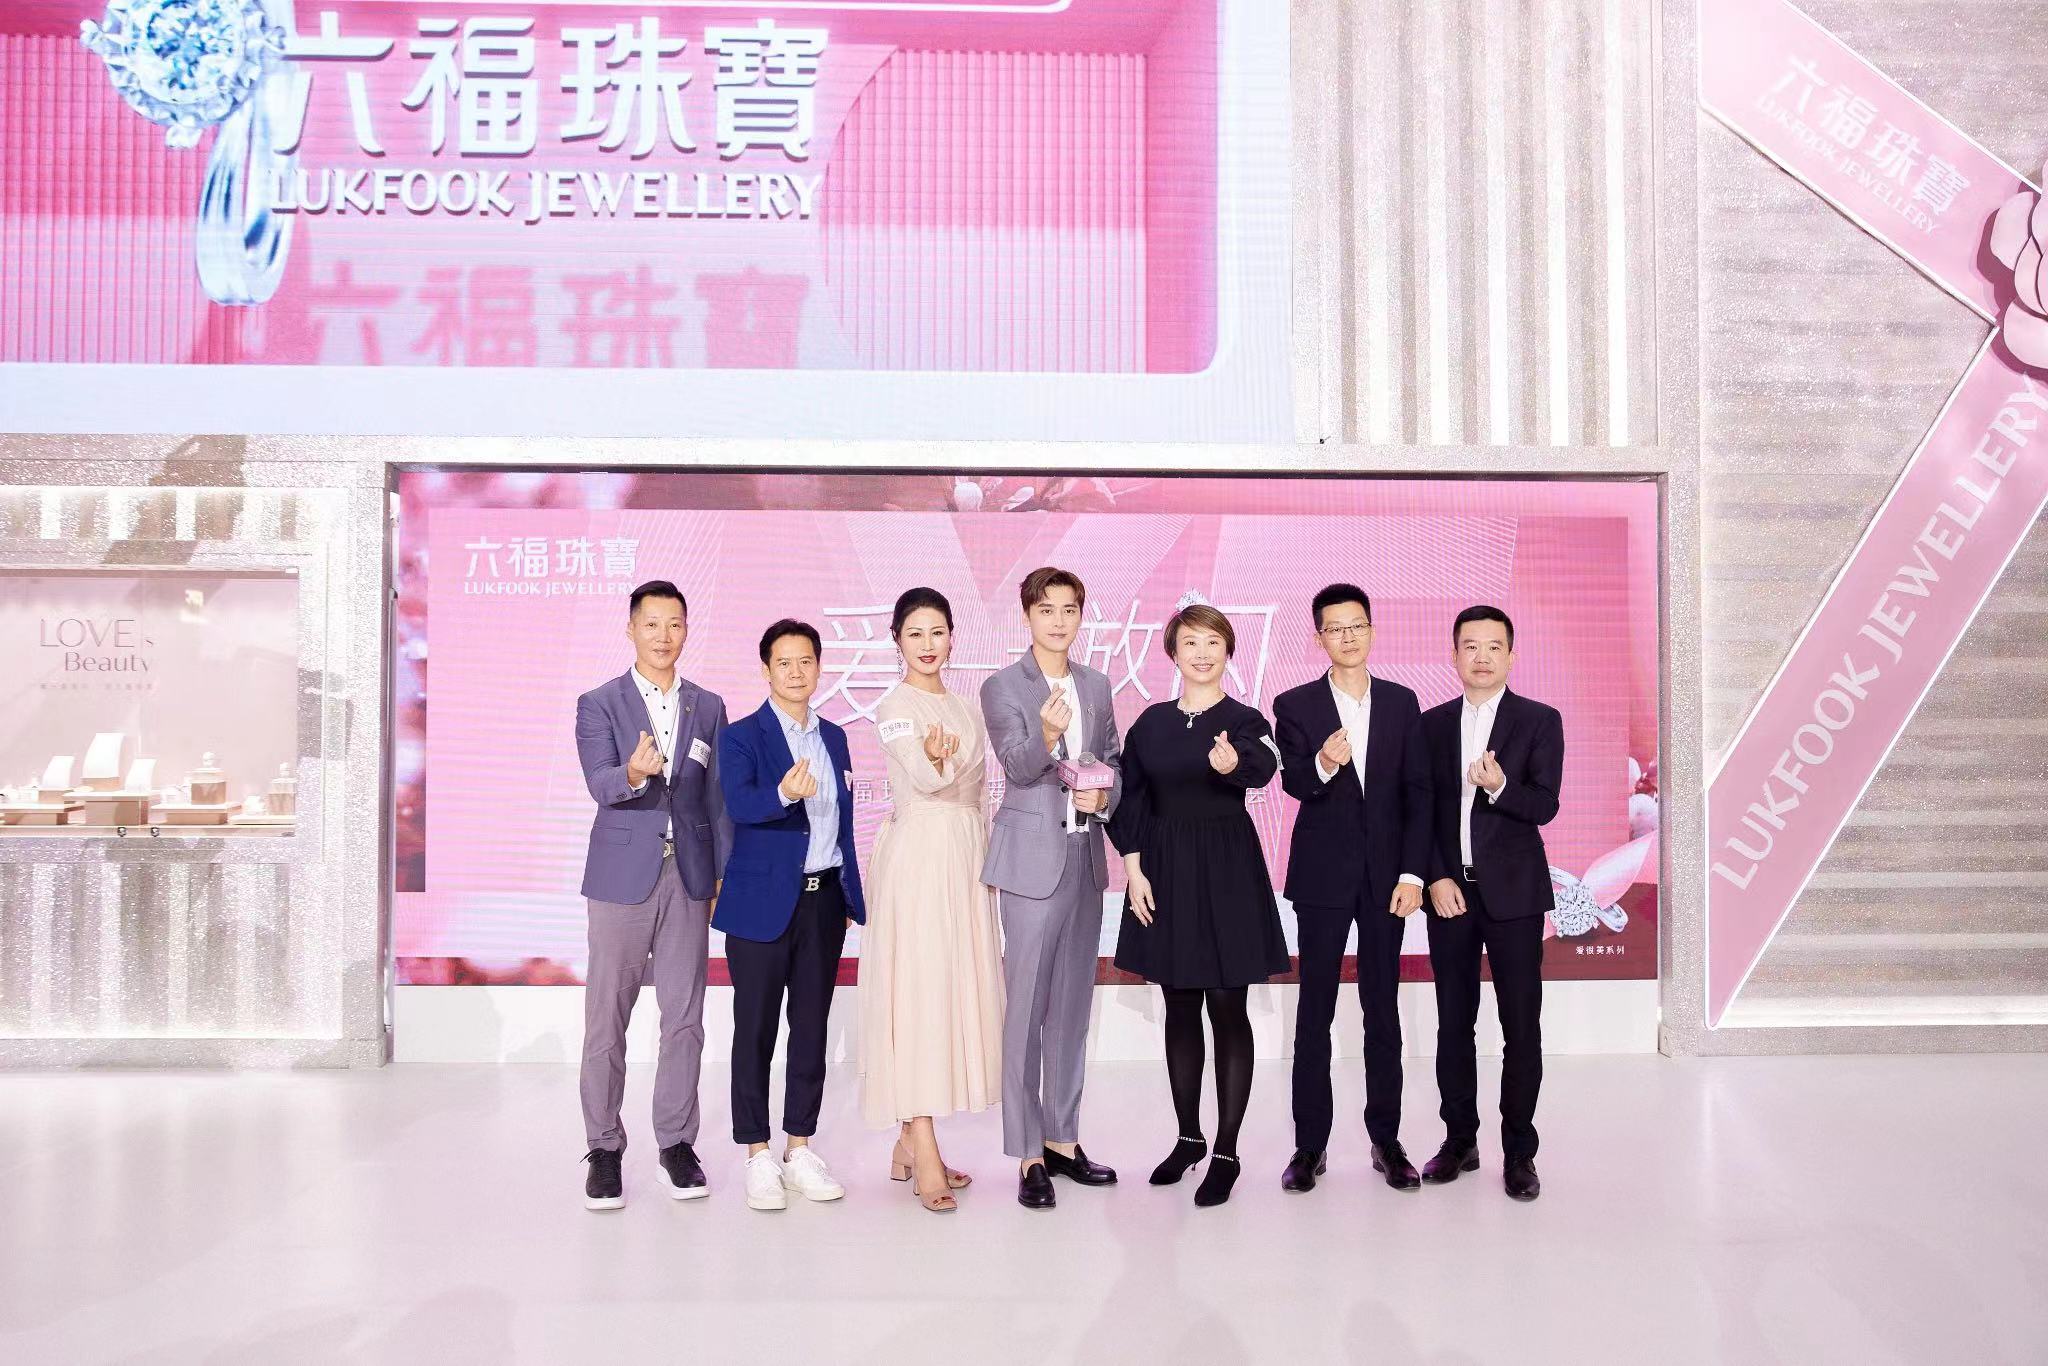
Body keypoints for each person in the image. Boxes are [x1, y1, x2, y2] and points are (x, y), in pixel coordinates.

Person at [1109, 601, 1289, 1208]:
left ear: (1228, 651)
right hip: (1163, 869)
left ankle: (1227, 1151)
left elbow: (1264, 766)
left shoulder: (1243, 719)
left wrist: (1234, 763)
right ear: (1173, 652)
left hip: (1227, 868)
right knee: (1179, 1004)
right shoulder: (1151, 722)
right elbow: (1131, 798)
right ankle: (1189, 1137)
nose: (1203, 653)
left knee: (1227, 1006)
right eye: (1191, 642)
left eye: (1214, 642)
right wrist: (1134, 868)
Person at [572, 580, 732, 1212]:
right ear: (631, 629)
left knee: (685, 1018)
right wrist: (634, 773)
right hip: (620, 879)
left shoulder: (708, 706)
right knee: (606, 1017)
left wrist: (718, 874)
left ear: (687, 630)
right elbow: (599, 782)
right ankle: (604, 1149)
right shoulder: (599, 703)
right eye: (652, 624)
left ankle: (676, 1144)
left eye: (675, 624)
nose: (664, 636)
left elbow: (717, 799)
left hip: (688, 878)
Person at [1271, 584, 1431, 1195]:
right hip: (1322, 876)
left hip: (1389, 880)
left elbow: (1417, 792)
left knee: (1381, 1008)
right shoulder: (1295, 704)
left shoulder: (1401, 701)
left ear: (1371, 630)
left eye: (1356, 625)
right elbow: (1294, 782)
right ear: (1319, 638)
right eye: (1335, 628)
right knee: (1314, 1009)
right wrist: (1325, 763)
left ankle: (1386, 1140)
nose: (1347, 636)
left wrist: (1413, 874)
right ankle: (1309, 1146)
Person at [857, 587, 1005, 1213]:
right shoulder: (894, 706)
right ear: (896, 640)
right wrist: (933, 756)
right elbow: (924, 778)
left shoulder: (967, 707)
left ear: (952, 638)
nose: (927, 644)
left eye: (937, 632)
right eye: (915, 633)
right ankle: (922, 1145)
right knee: (917, 994)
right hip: (918, 860)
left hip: (964, 859)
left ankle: (907, 1142)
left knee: (949, 992)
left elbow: (979, 794)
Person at [979, 567, 1123, 1210]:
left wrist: (1105, 794)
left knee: (1070, 1009)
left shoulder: (1096, 684)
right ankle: (1028, 1152)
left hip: (1085, 858)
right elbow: (1016, 765)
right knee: (1026, 1011)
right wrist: (1044, 734)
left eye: (1069, 609)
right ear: (1027, 616)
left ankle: (1063, 1139)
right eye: (1047, 610)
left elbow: (1113, 760)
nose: (1059, 621)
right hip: (1030, 865)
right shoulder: (1003, 686)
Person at [716, 619, 868, 1212]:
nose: (797, 672)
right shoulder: (741, 736)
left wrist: (847, 894)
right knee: (754, 1030)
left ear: (819, 667)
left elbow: (843, 823)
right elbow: (739, 804)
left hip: (823, 901)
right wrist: (783, 794)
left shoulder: (835, 737)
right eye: (784, 662)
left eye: (806, 661)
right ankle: (757, 1153)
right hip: (760, 905)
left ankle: (799, 1147)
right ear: (766, 670)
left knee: (810, 1028)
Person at [1420, 605, 1564, 1202]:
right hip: (1450, 894)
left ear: (1511, 655)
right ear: (1453, 655)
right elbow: (1420, 813)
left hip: (1515, 895)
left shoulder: (1539, 720)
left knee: (1520, 1026)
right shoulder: (1430, 726)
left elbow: (1545, 804)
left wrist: (1500, 786)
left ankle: (1519, 1152)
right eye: (1470, 646)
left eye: (1493, 647)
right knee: (1453, 1023)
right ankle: (1460, 1140)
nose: (1481, 657)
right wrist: (1434, 876)